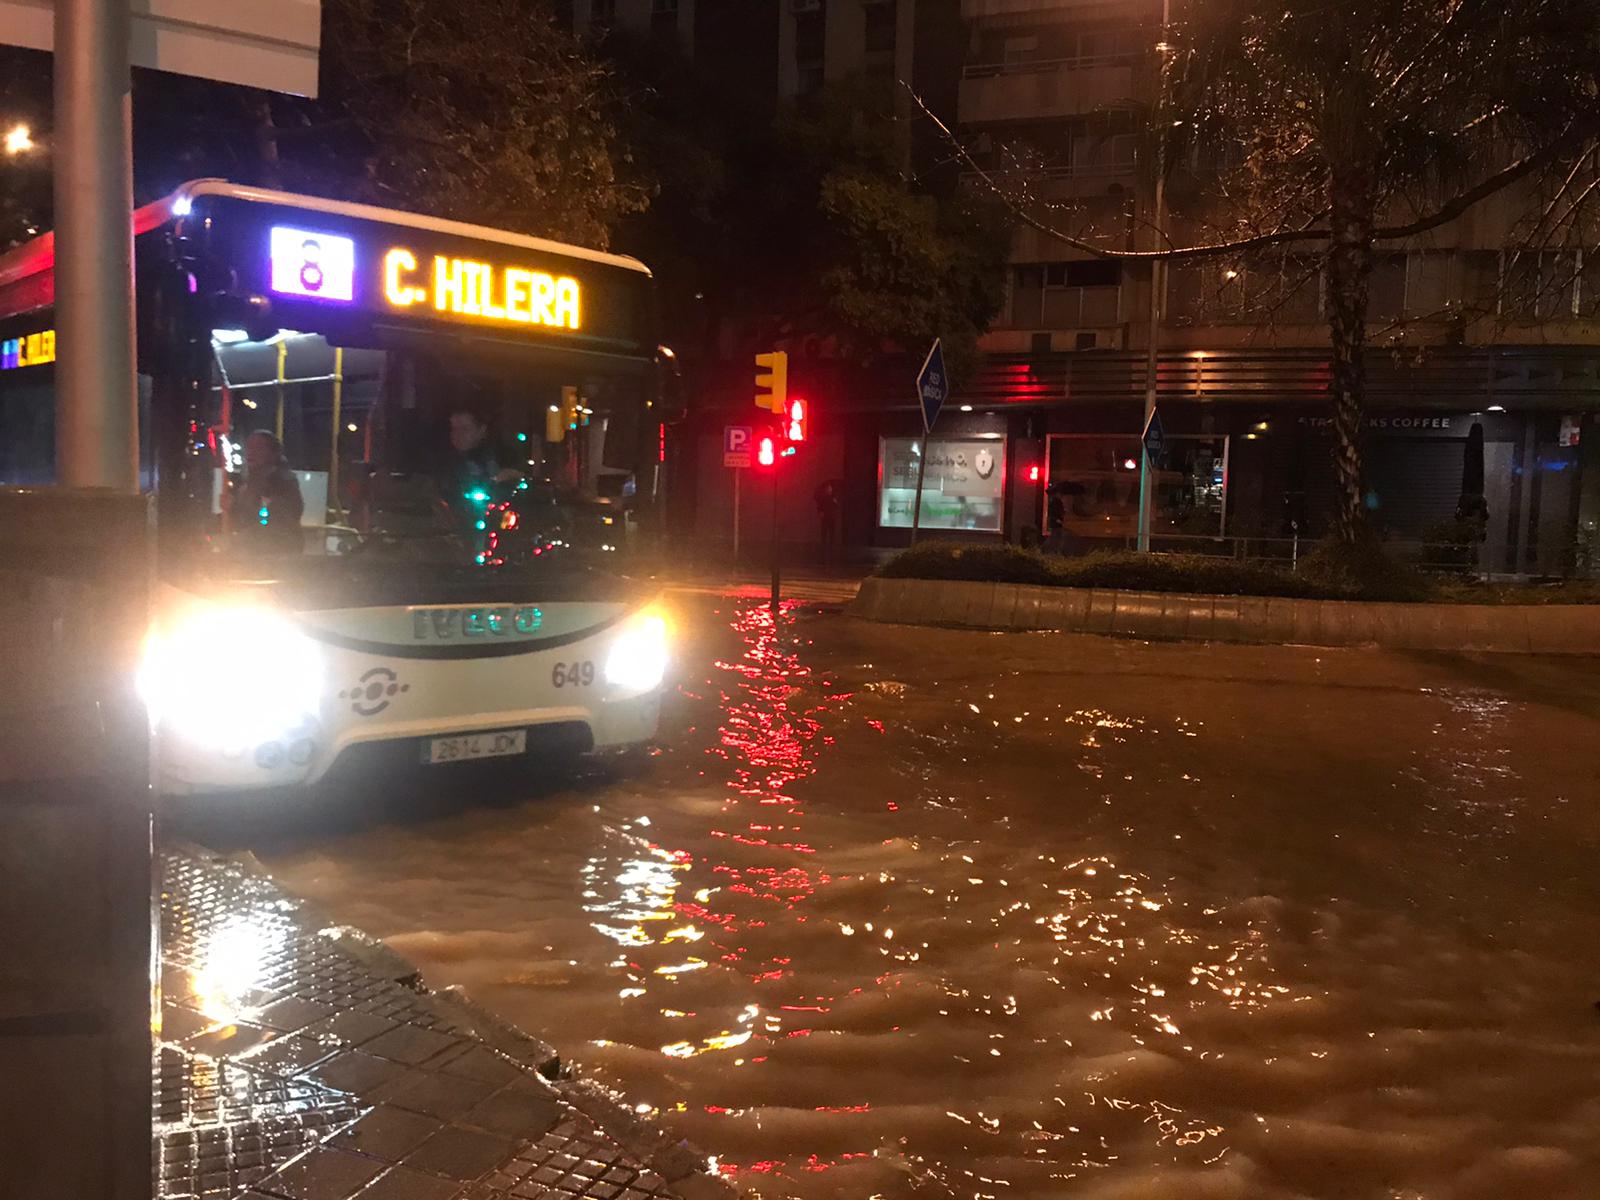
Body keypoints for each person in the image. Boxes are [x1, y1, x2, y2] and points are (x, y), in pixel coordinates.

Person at [231, 430, 303, 551]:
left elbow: (275, 522)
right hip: (256, 552)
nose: (250, 452)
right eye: (249, 447)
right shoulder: (250, 483)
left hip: (277, 552)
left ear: (273, 453)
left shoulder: (283, 484)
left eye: (258, 448)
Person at [814, 479, 841, 562]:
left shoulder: (833, 497)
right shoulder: (823, 498)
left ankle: (831, 547)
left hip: (831, 517)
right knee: (824, 532)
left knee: (832, 532)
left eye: (830, 488)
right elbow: (819, 506)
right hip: (825, 517)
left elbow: (836, 507)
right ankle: (823, 547)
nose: (829, 490)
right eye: (827, 488)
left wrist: (835, 503)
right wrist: (820, 513)